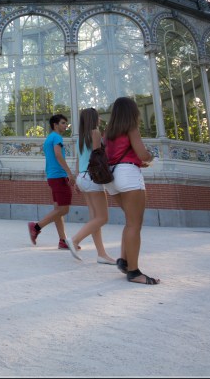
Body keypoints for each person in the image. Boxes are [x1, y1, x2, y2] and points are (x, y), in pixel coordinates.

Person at [103, 97, 160, 285]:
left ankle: (124, 261)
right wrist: (150, 157)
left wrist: (136, 161)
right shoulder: (131, 127)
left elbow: (112, 155)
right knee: (134, 224)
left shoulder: (108, 132)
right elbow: (143, 153)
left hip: (111, 178)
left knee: (130, 223)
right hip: (128, 176)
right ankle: (134, 272)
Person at [64, 108, 117, 264]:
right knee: (102, 217)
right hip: (93, 177)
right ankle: (74, 240)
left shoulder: (81, 136)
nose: (100, 118)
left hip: (82, 176)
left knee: (95, 218)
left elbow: (80, 159)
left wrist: (77, 180)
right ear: (94, 118)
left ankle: (101, 254)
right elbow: (97, 155)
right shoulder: (95, 133)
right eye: (98, 116)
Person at [27, 114, 79, 250]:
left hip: (52, 176)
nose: (65, 125)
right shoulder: (57, 137)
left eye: (66, 123)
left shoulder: (49, 138)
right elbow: (58, 154)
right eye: (63, 123)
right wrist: (69, 172)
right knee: (64, 209)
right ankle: (36, 226)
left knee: (58, 210)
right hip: (59, 176)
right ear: (55, 125)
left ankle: (62, 240)